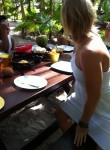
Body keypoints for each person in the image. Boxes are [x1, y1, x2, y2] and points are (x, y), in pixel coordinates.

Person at [54, 0, 110, 150]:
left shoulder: (89, 51)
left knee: (97, 138)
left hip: (99, 104)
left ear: (69, 19)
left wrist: (83, 124)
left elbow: (94, 96)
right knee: (60, 114)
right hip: (82, 95)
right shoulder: (82, 38)